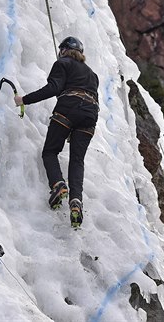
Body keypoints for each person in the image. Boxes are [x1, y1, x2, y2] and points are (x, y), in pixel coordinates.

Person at [14, 36, 99, 227]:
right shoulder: (93, 75)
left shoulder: (62, 63)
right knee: (77, 160)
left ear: (63, 50)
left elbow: (54, 88)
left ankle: (58, 185)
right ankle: (76, 201)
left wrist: (24, 100)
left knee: (50, 151)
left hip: (68, 107)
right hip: (90, 115)